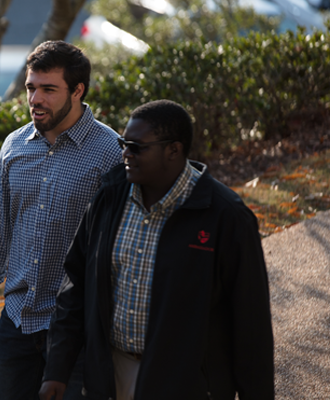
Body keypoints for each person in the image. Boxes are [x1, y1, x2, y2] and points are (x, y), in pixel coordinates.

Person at [39, 99, 274, 400]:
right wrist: (57, 370)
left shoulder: (227, 217)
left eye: (136, 147)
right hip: (111, 376)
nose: (125, 153)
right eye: (124, 143)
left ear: (173, 150)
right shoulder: (109, 197)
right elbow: (75, 286)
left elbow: (250, 322)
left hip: (185, 384)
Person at [0, 40, 123, 400]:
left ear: (78, 90)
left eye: (48, 89)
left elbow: (119, 247)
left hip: (77, 327)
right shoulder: (14, 146)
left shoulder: (110, 153)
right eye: (31, 88)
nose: (35, 99)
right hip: (18, 318)